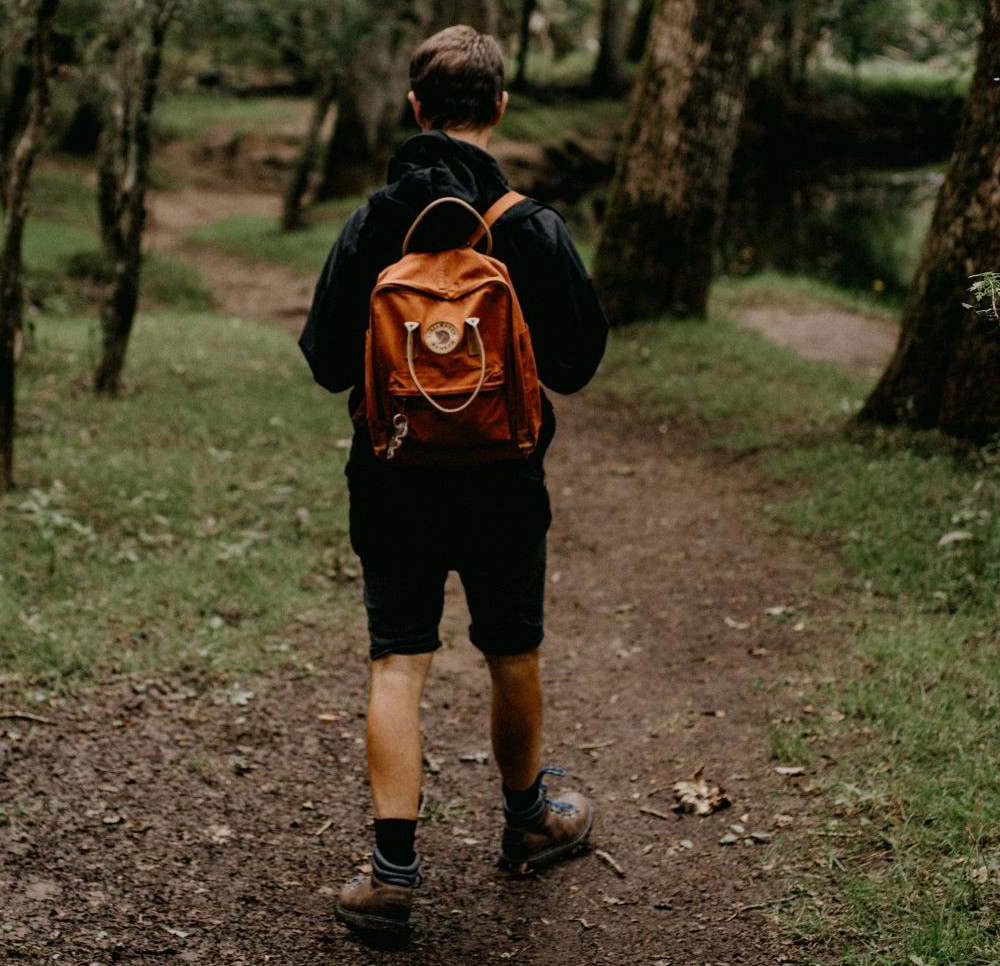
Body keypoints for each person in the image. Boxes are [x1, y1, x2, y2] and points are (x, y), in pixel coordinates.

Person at [298, 24, 611, 937]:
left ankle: (392, 874)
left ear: (415, 109)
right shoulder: (527, 226)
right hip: (504, 482)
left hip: (392, 477)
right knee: (510, 650)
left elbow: (324, 362)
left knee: (399, 660)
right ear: (499, 108)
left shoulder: (372, 225)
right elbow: (577, 362)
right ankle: (528, 823)